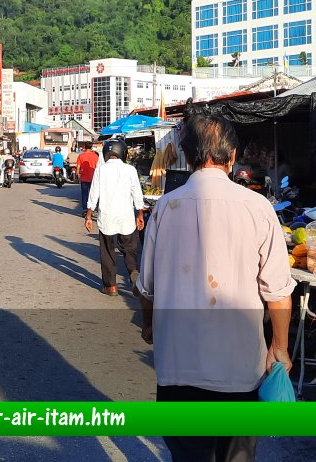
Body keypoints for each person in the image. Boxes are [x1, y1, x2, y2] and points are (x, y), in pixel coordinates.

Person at [137, 114, 294, 462]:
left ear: (186, 154)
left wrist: (148, 326)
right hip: (240, 371)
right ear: (233, 155)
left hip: (178, 369)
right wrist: (279, 346)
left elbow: (146, 288)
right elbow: (278, 292)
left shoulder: (164, 207)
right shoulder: (258, 208)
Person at [84, 138, 144, 296]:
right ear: (123, 153)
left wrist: (89, 215)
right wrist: (140, 213)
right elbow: (137, 193)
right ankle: (133, 271)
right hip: (126, 217)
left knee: (108, 252)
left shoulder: (100, 170)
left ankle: (110, 286)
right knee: (129, 249)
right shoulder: (130, 170)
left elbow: (93, 194)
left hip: (107, 217)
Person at [77, 144, 99, 212]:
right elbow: (98, 166)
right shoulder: (95, 156)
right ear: (91, 147)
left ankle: (85, 209)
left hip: (84, 177)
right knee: (93, 194)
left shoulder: (81, 155)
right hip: (93, 178)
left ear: (84, 147)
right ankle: (92, 209)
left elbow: (78, 166)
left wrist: (78, 175)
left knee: (84, 194)